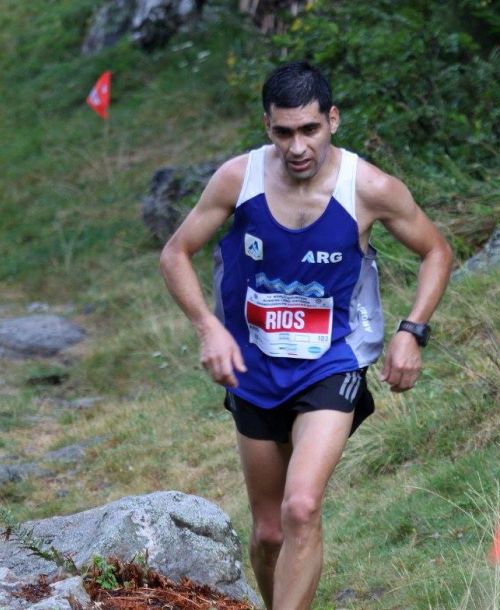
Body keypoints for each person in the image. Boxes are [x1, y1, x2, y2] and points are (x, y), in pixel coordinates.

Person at [159, 60, 453, 610]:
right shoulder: (238, 179)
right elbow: (176, 252)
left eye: (310, 129)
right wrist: (208, 329)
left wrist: (412, 331)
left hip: (331, 363)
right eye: (284, 132)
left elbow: (436, 250)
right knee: (269, 533)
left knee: (301, 507)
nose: (297, 147)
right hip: (252, 367)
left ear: (332, 120)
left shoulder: (369, 187)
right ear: (267, 126)